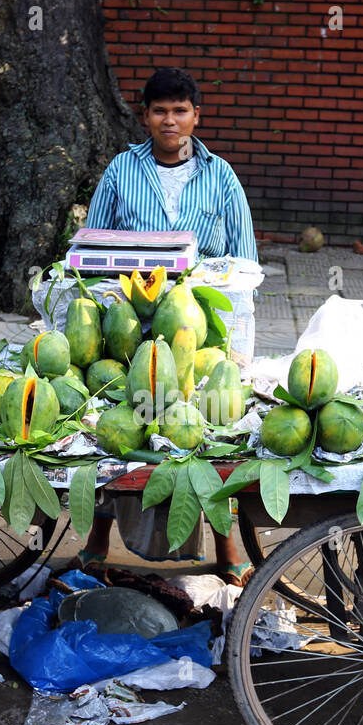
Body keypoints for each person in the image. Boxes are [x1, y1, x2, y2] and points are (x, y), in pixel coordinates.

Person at [81, 68, 257, 585]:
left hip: (202, 323)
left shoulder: (221, 175)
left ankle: (226, 545)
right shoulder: (121, 168)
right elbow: (92, 248)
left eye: (181, 110)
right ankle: (96, 538)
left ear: (196, 116)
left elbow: (245, 263)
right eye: (160, 110)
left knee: (205, 426)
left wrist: (239, 346)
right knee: (121, 421)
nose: (170, 120)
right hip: (130, 321)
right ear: (146, 116)